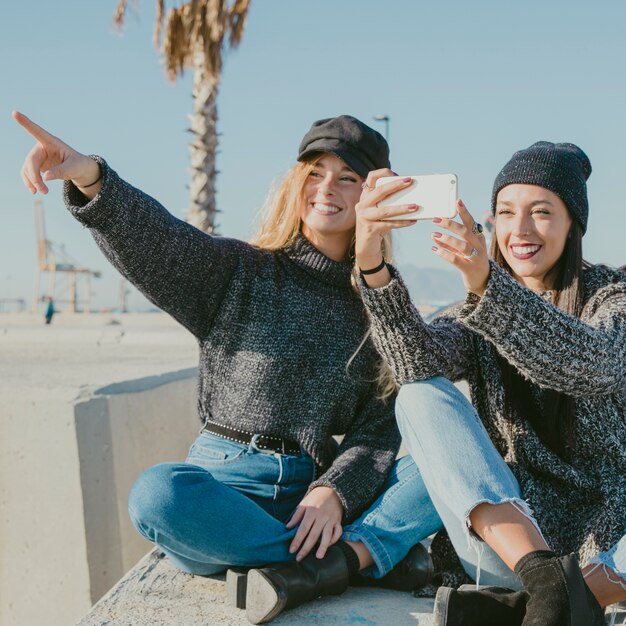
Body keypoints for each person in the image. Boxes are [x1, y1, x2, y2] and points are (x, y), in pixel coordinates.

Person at [15, 112, 440, 624]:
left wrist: (335, 492)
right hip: (222, 493)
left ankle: (315, 563)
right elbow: (160, 241)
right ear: (295, 183)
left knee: (442, 462)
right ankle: (354, 560)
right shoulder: (243, 271)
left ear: (373, 197)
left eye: (348, 177)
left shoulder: (378, 303)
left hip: (314, 498)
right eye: (315, 172)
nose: (327, 188)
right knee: (158, 494)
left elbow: (377, 429)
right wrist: (90, 177)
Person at [354, 141, 626, 625]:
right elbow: (413, 360)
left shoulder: (613, 300)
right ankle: (551, 591)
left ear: (572, 225)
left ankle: (550, 605)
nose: (520, 229)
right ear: (491, 222)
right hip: (511, 552)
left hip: (606, 546)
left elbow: (596, 365)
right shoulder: (480, 309)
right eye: (506, 212)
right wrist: (371, 262)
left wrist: (488, 287)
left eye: (541, 212)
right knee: (418, 395)